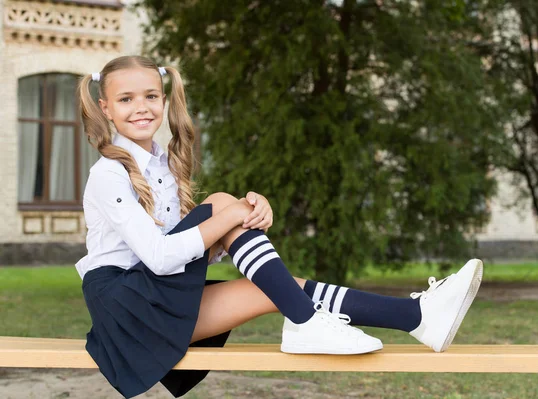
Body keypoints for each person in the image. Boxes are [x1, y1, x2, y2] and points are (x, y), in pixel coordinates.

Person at [76, 55, 484, 398]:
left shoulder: (163, 165)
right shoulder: (109, 174)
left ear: (164, 100)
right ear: (106, 108)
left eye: (150, 96)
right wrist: (230, 213)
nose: (141, 107)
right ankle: (308, 323)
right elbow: (162, 258)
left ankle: (417, 316)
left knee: (281, 286)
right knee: (221, 202)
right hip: (125, 306)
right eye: (126, 99)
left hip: (150, 293)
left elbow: (188, 250)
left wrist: (242, 215)